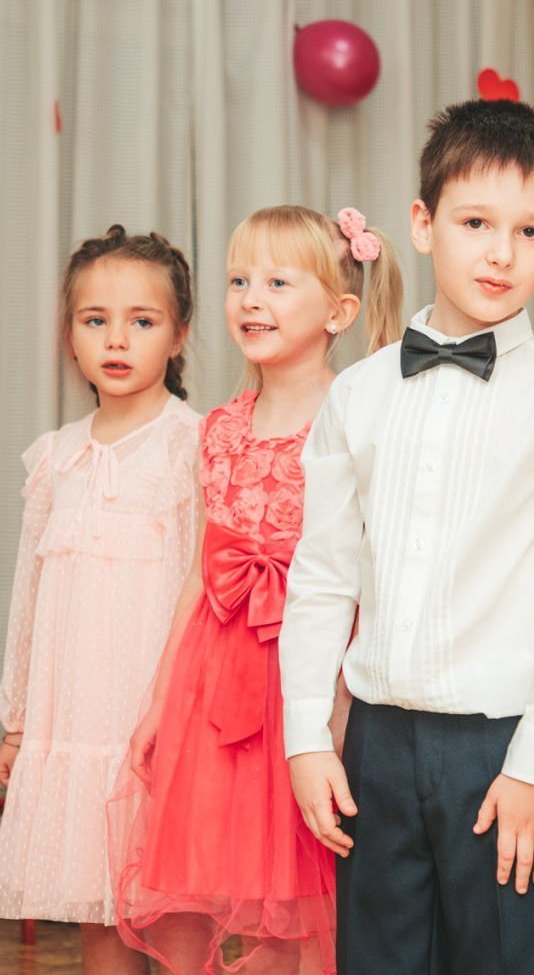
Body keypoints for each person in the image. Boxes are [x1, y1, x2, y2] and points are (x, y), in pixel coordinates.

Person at [280, 100, 534, 974]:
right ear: (424, 223)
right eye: (476, 223)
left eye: (530, 231)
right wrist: (307, 735)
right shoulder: (357, 393)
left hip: (506, 744)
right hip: (377, 747)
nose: (501, 253)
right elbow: (321, 576)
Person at [111, 205, 403, 974]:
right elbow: (201, 569)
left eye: (277, 282)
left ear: (339, 311)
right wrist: (159, 701)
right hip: (214, 685)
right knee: (216, 876)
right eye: (239, 280)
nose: (250, 298)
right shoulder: (218, 428)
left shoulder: (360, 418)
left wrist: (343, 701)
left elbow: (376, 573)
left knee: (306, 894)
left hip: (310, 678)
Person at [0, 226, 200, 974]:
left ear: (179, 334)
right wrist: (19, 722)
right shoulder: (57, 456)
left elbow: (208, 591)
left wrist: (189, 715)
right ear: (69, 335)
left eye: (142, 320)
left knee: (176, 915)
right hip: (75, 725)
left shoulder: (194, 446)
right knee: (97, 916)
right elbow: (30, 594)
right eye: (95, 319)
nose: (117, 338)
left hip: (163, 725)